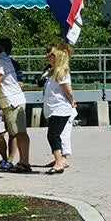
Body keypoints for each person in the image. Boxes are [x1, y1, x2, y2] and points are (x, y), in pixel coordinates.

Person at [0, 40, 32, 173]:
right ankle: (22, 161)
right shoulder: (3, 59)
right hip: (11, 101)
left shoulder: (0, 61)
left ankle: (24, 162)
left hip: (12, 102)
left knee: (19, 133)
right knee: (18, 132)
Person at [42, 42, 76, 174]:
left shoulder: (62, 72)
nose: (48, 57)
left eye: (51, 55)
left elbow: (68, 91)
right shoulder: (52, 72)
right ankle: (59, 160)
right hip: (52, 108)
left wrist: (72, 101)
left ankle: (59, 162)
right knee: (55, 135)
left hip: (60, 108)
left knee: (53, 135)